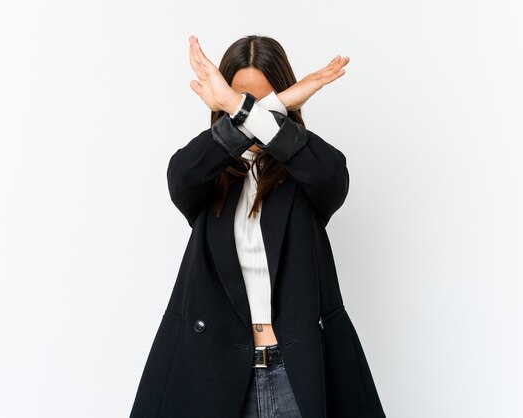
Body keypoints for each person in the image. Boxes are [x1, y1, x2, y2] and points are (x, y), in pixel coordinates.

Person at [130, 35, 386, 418]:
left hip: (297, 373)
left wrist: (243, 108)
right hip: (214, 372)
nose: (250, 116)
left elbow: (332, 175)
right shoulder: (206, 175)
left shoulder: (307, 174)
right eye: (239, 103)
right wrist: (263, 107)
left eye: (265, 103)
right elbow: (180, 178)